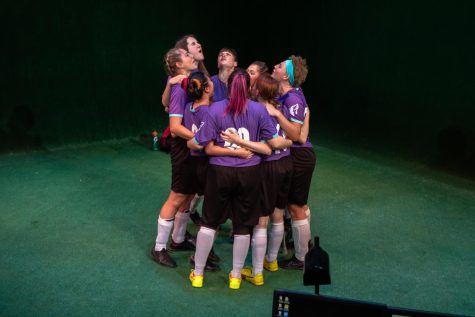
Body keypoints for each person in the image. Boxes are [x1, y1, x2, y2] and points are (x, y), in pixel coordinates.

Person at [187, 68, 287, 289]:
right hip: (249, 174)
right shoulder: (259, 110)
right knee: (243, 226)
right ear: (248, 88)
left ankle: (199, 273)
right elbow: (270, 147)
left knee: (209, 223)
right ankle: (235, 277)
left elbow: (200, 143)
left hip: (219, 173)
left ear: (229, 86)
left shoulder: (214, 110)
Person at [221, 73, 293, 286]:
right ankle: (271, 261)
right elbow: (289, 138)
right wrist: (289, 141)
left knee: (262, 219)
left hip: (268, 166)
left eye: (254, 86)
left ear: (258, 91)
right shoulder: (281, 108)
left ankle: (257, 272)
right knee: (278, 213)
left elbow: (270, 145)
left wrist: (240, 143)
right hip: (286, 164)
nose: (250, 88)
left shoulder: (259, 110)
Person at [150, 47, 199, 268]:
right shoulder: (179, 87)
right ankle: (159, 247)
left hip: (193, 147)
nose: (192, 56)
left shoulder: (187, 81)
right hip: (183, 147)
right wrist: (202, 137)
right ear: (179, 65)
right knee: (176, 197)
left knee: (189, 194)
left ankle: (178, 240)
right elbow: (175, 127)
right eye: (188, 56)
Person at [266, 55, 315, 270]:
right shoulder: (286, 93)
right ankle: (305, 242)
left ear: (286, 75)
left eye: (278, 66)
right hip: (294, 154)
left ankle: (302, 257)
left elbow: (295, 134)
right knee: (297, 204)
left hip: (299, 156)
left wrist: (276, 114)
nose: (274, 67)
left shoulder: (293, 99)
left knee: (296, 206)